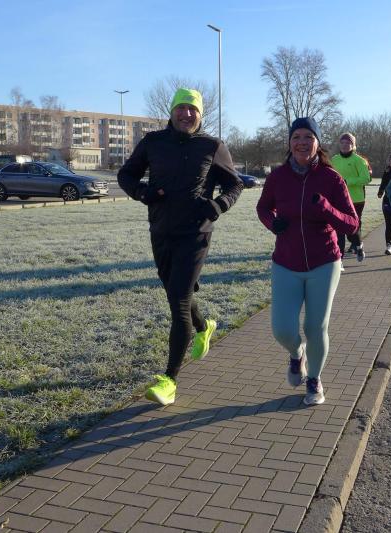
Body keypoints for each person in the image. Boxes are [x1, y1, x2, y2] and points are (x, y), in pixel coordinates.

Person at [118, 88, 243, 406]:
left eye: (193, 109)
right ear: (172, 112)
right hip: (161, 231)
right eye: (181, 108)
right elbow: (126, 174)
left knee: (179, 301)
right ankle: (204, 326)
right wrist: (142, 193)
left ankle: (169, 381)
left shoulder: (212, 146)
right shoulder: (153, 142)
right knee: (176, 294)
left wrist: (218, 205)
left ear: (200, 115)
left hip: (196, 233)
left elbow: (235, 184)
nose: (187, 114)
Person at [256, 117, 359, 406]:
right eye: (296, 137)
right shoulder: (277, 177)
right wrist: (272, 223)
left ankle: (314, 379)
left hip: (324, 262)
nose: (302, 142)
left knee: (316, 327)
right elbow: (263, 207)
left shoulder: (331, 178)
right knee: (282, 329)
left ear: (318, 142)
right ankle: (296, 353)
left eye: (308, 137)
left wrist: (326, 208)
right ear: (290, 143)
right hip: (286, 262)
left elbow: (352, 224)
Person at [331, 133, 371, 263]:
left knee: (351, 230)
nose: (344, 145)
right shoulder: (334, 159)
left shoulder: (359, 160)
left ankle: (358, 246)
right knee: (339, 229)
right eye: (342, 142)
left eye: (348, 143)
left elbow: (366, 178)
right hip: (338, 199)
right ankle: (340, 260)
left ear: (353, 145)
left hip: (356, 200)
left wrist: (348, 181)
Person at [377, 154, 391, 255]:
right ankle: (389, 246)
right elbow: (383, 183)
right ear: (389, 161)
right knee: (389, 224)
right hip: (387, 201)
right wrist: (380, 192)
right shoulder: (386, 172)